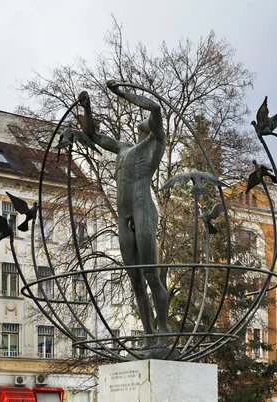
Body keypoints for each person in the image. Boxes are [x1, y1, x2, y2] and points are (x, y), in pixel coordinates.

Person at [77, 82, 169, 347]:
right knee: (135, 279)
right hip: (123, 215)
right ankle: (149, 334)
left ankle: (163, 330)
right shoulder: (124, 148)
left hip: (143, 210)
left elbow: (155, 107)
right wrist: (88, 108)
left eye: (146, 123)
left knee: (151, 275)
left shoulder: (155, 144)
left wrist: (121, 93)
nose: (143, 123)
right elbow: (92, 137)